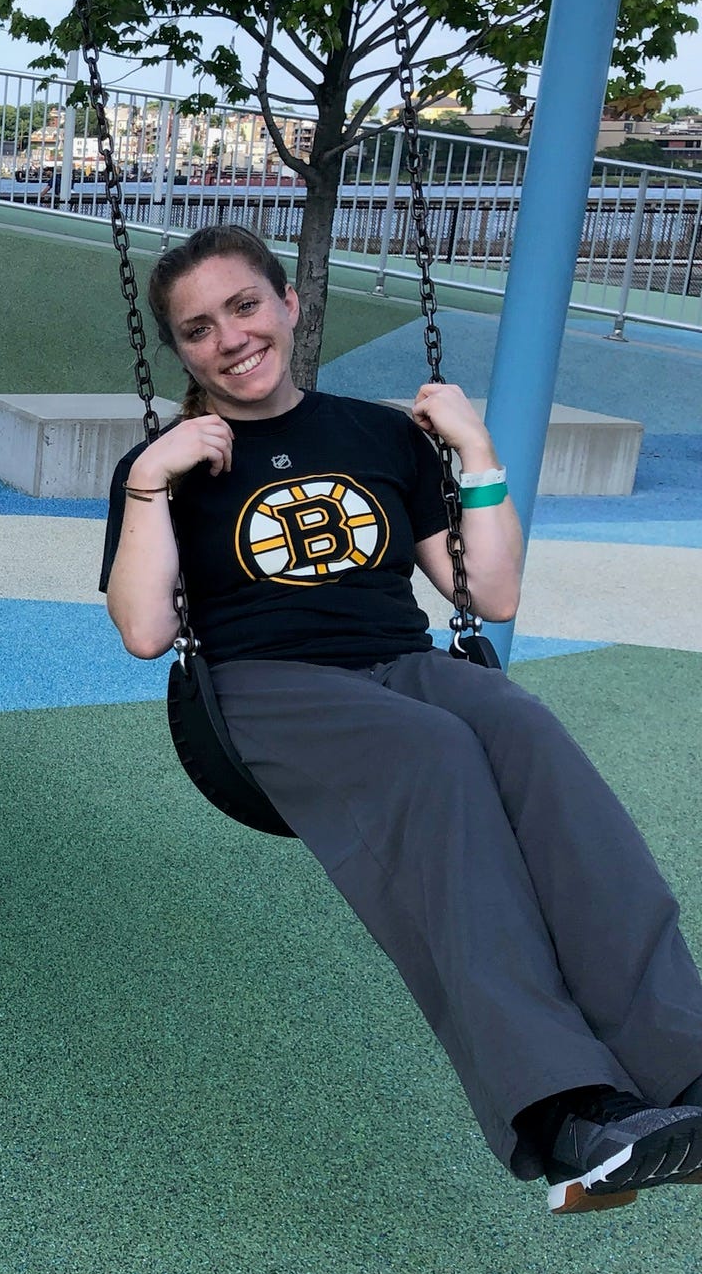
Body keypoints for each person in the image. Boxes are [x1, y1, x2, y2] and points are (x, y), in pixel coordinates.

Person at [100, 224, 702, 1214]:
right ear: (181, 349)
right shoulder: (163, 462)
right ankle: (563, 1109)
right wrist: (148, 482)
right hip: (266, 684)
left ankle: (680, 1064)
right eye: (198, 328)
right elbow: (141, 627)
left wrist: (473, 452)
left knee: (530, 741)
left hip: (401, 660)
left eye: (244, 306)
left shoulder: (378, 435)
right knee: (434, 759)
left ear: (287, 302)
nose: (230, 338)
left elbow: (490, 594)